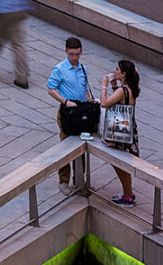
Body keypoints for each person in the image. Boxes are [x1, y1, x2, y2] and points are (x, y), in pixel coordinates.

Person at [47, 37, 94, 188]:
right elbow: (50, 89)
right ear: (66, 52)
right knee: (66, 147)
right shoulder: (59, 69)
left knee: (82, 144)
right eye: (72, 54)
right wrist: (65, 101)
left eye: (77, 54)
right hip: (68, 112)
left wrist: (89, 100)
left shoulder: (83, 69)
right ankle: (64, 180)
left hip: (81, 111)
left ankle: (79, 180)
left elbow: (85, 88)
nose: (74, 58)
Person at [101, 59, 142, 204]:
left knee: (118, 162)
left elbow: (104, 103)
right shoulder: (130, 88)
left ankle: (127, 196)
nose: (114, 71)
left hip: (119, 131)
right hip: (128, 128)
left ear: (123, 74)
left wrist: (104, 87)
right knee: (121, 162)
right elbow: (121, 102)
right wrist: (114, 86)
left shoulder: (122, 90)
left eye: (117, 69)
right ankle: (128, 193)